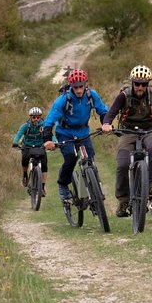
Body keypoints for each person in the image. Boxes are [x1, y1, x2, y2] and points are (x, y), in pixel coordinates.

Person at [101, 65, 152, 218]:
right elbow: (111, 112)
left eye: (144, 84)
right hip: (128, 131)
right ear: (132, 83)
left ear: (148, 84)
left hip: (149, 130)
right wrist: (106, 124)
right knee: (122, 163)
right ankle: (124, 200)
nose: (140, 87)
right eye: (137, 84)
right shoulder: (124, 96)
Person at [43, 69, 108, 203]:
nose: (79, 90)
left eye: (81, 86)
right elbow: (49, 121)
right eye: (75, 87)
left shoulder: (91, 95)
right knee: (71, 158)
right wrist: (48, 140)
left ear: (85, 84)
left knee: (90, 160)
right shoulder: (62, 100)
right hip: (65, 133)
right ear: (71, 87)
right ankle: (63, 184)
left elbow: (103, 110)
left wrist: (106, 124)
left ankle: (95, 189)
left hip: (83, 132)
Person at [12, 106, 49, 196]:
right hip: (27, 146)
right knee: (25, 158)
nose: (36, 119)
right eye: (34, 117)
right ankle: (25, 174)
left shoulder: (44, 125)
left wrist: (53, 142)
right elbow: (18, 134)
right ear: (30, 117)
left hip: (40, 146)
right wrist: (15, 142)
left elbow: (50, 134)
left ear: (40, 117)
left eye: (38, 117)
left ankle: (42, 188)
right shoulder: (25, 126)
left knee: (44, 165)